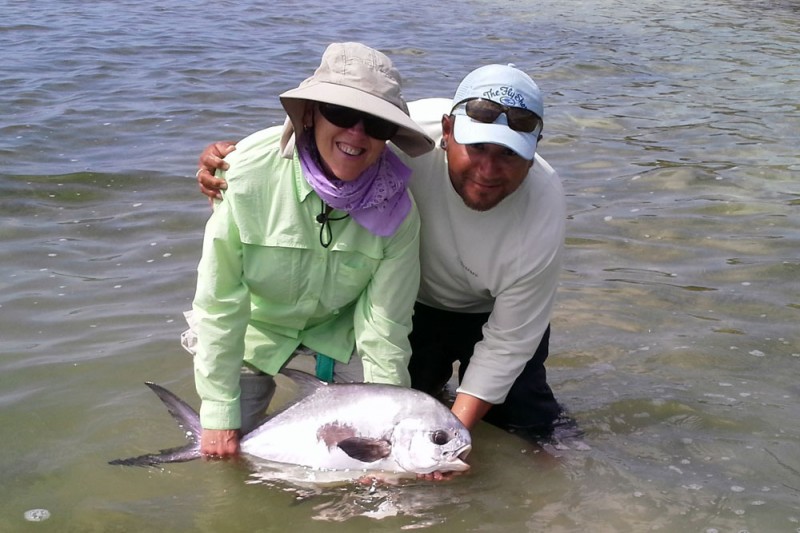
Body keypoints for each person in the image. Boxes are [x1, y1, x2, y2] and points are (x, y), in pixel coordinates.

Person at [197, 63, 568, 448]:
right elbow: (327, 133)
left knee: (535, 430)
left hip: (491, 310)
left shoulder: (545, 205)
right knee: (409, 404)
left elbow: (509, 343)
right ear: (445, 131)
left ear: (533, 151)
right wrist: (231, 159)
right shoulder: (402, 132)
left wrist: (449, 438)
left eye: (509, 154)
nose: (488, 170)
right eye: (476, 148)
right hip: (410, 304)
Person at [190, 42, 434, 460]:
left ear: (389, 135)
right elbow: (219, 305)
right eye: (341, 113)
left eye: (376, 123)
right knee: (227, 458)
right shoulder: (244, 175)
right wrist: (217, 415)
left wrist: (390, 427)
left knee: (364, 465)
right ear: (309, 115)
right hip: (256, 329)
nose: (356, 134)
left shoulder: (399, 211)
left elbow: (384, 330)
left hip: (339, 336)